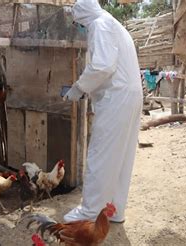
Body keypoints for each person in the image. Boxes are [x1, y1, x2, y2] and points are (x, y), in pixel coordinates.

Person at [62, 0, 143, 223]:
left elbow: (103, 66)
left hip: (117, 98)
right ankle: (114, 210)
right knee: (120, 157)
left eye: (79, 24)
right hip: (129, 94)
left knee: (101, 155)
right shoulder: (112, 23)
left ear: (82, 16)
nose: (80, 28)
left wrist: (79, 87)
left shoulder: (99, 25)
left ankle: (89, 213)